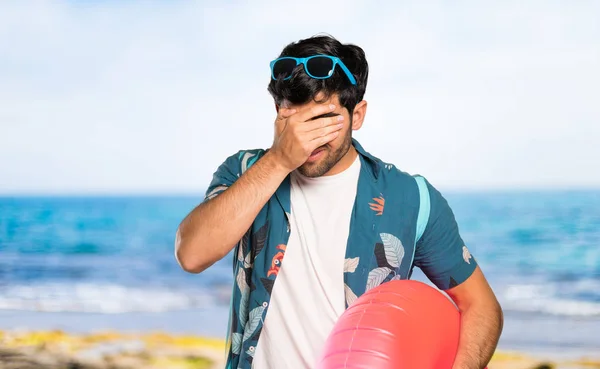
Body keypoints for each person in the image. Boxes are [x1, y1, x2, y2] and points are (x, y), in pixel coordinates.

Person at [175, 34, 503, 369]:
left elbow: (481, 305)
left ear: (357, 115)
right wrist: (277, 160)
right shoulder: (243, 171)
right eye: (297, 122)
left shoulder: (412, 198)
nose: (308, 140)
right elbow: (192, 255)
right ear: (278, 113)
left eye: (323, 121)